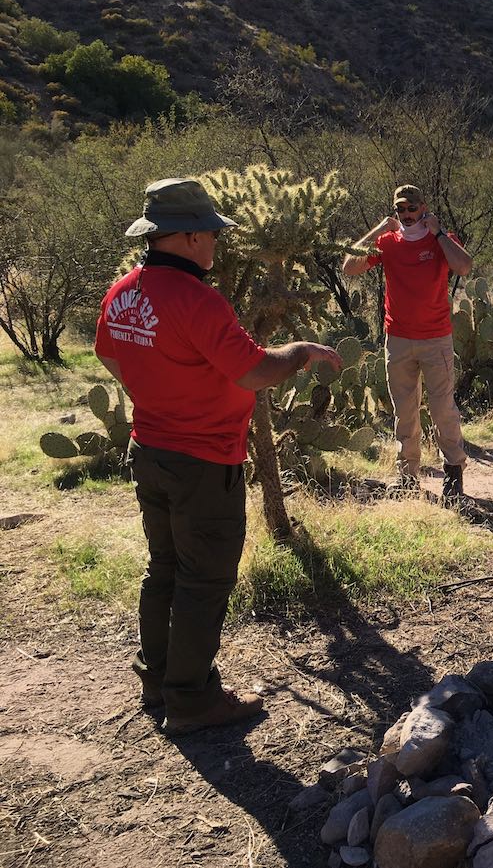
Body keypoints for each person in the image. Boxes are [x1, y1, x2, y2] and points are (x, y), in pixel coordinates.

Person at [95, 178, 341, 735]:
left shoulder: (123, 292)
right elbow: (253, 371)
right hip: (202, 460)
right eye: (208, 232)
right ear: (183, 237)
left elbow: (109, 355)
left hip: (149, 449)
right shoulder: (197, 299)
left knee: (165, 567)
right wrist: (301, 351)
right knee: (204, 579)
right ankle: (192, 701)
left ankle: (158, 679)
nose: (216, 242)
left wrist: (159, 391)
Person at [342, 185, 473, 501]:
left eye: (411, 209)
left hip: (435, 339)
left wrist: (439, 234)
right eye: (401, 210)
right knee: (405, 412)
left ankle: (453, 473)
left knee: (443, 409)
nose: (407, 215)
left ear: (423, 208)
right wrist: (378, 229)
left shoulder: (438, 240)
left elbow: (464, 266)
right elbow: (349, 268)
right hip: (398, 339)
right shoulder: (387, 243)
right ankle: (407, 477)